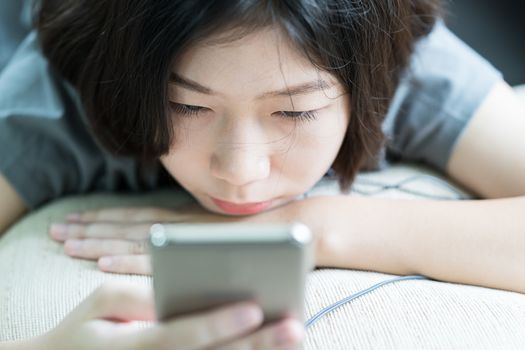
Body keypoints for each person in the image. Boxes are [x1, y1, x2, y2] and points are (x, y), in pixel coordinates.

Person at [1, 0, 525, 349]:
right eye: (184, 105)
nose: (239, 171)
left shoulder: (400, 60)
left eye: (294, 113)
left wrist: (317, 227)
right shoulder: (62, 93)